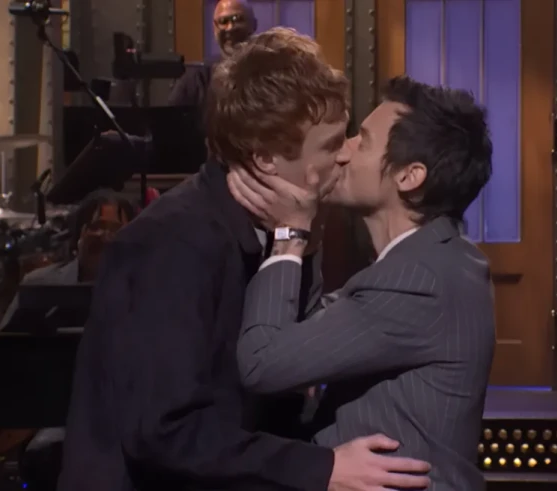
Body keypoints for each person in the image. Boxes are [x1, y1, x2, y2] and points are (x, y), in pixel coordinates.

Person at [57, 28, 430, 491]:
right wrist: (321, 468)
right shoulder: (169, 244)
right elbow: (165, 431)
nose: (346, 155)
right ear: (266, 158)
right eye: (331, 144)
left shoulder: (281, 226)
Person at [226, 76, 496, 490]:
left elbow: (263, 362)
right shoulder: (434, 260)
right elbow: (311, 336)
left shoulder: (418, 280)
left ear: (409, 176)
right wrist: (310, 233)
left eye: (362, 142)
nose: (343, 151)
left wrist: (289, 232)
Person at [0, 190, 136, 330]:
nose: (105, 237)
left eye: (116, 229)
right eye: (97, 227)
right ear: (79, 237)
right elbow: (6, 341)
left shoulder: (144, 293)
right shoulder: (40, 285)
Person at [168, 0, 256, 107]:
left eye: (237, 19)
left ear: (254, 25)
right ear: (214, 28)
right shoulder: (196, 79)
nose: (230, 27)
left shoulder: (269, 73)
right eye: (223, 21)